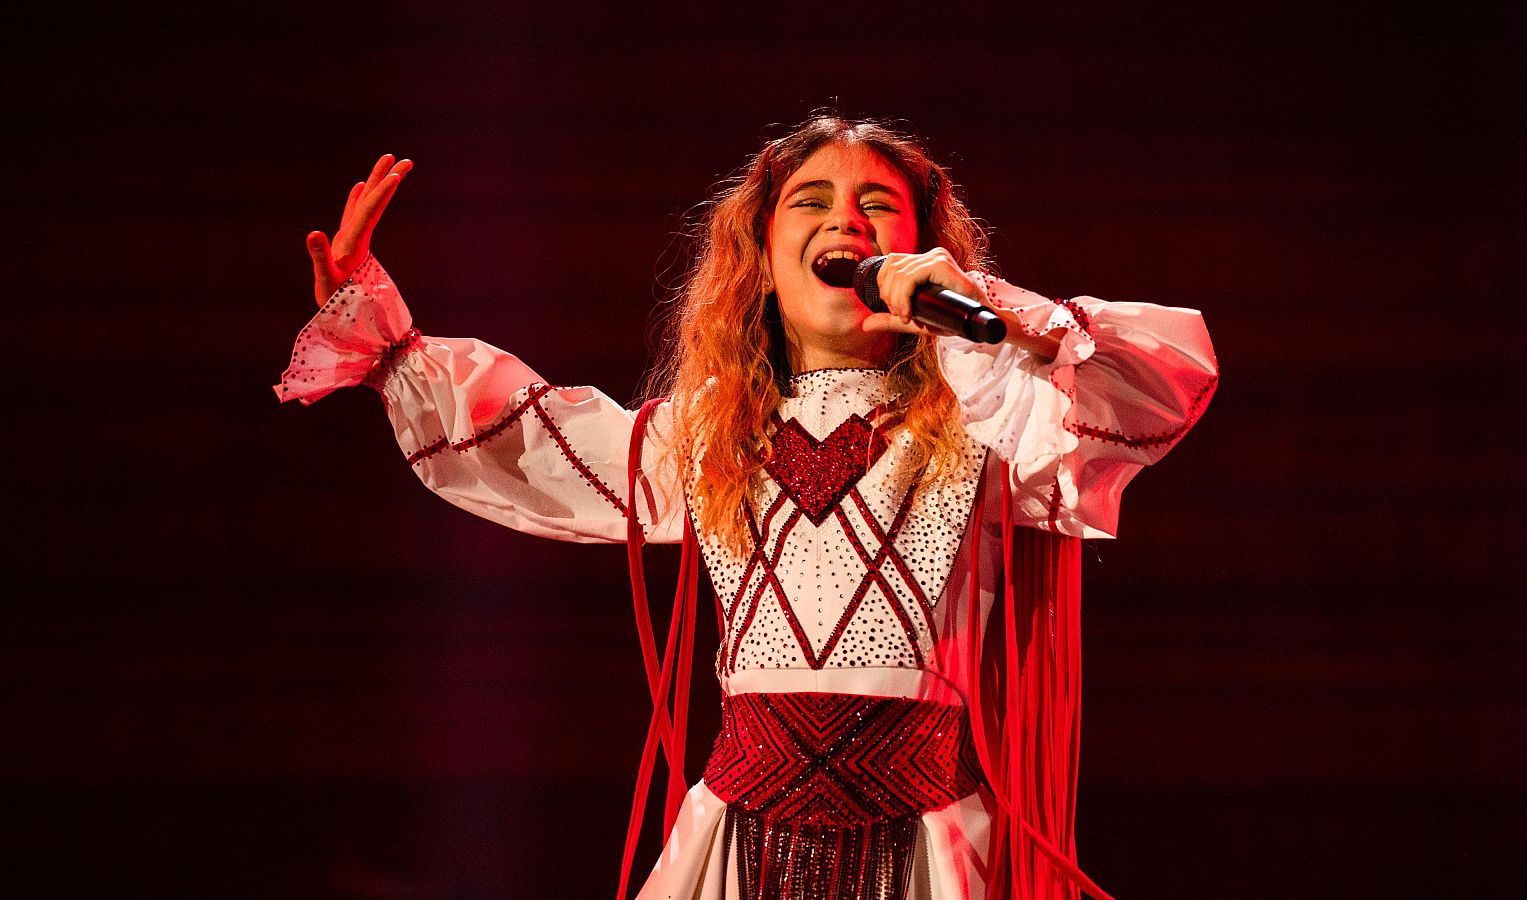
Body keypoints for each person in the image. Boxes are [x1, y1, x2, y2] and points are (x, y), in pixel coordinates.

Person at [276, 115, 1218, 900]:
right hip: (736, 846)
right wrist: (388, 345)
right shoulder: (709, 438)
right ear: (762, 259)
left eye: (876, 206)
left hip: (928, 851)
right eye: (811, 202)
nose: (846, 221)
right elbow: (531, 442)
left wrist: (996, 314)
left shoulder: (995, 427)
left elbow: (1158, 388)